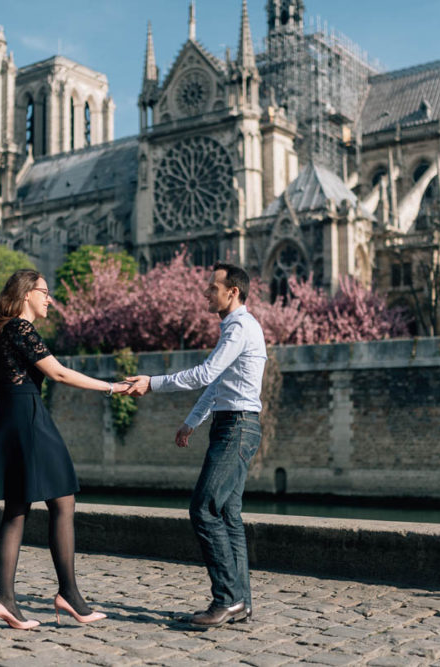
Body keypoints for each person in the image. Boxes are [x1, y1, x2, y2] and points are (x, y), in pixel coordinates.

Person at [0, 268, 131, 630]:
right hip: (30, 417)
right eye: (45, 292)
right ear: (26, 294)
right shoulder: (20, 328)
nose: (50, 299)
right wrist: (111, 387)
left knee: (16, 510)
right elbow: (59, 373)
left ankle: (5, 600)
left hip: (7, 419)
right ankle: (69, 595)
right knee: (63, 501)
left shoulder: (0, 332)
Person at [126, 261, 266, 628]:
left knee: (203, 509)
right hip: (236, 424)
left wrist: (151, 382)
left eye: (212, 287)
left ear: (232, 291)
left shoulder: (238, 328)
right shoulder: (238, 327)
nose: (206, 292)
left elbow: (205, 374)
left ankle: (226, 599)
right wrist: (191, 422)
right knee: (228, 515)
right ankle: (241, 602)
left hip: (236, 426)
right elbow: (219, 385)